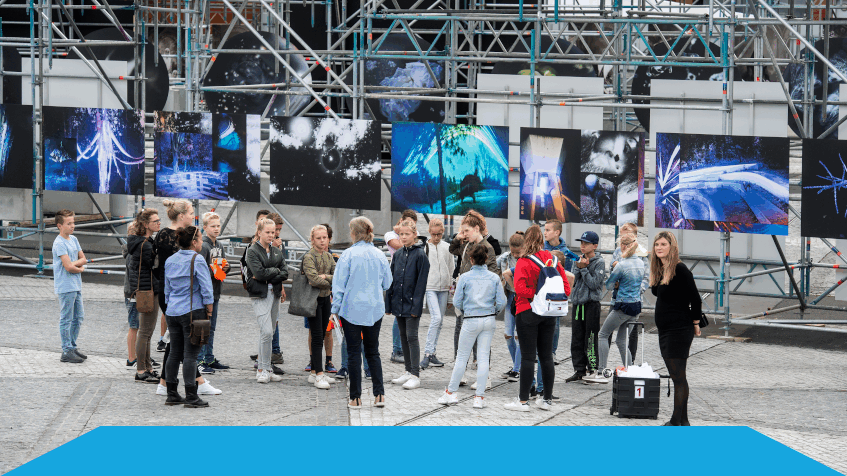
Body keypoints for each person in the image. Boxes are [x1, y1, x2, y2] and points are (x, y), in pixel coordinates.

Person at [504, 225, 571, 412]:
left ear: (526, 241)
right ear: (542, 240)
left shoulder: (524, 262)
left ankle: (523, 401)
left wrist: (534, 295)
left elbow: (520, 289)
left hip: (527, 312)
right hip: (549, 313)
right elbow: (566, 288)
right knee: (546, 356)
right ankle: (546, 400)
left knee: (527, 357)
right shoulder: (554, 260)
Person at [332, 216, 392, 409]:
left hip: (351, 309)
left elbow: (338, 286)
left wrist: (335, 310)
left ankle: (355, 397)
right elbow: (387, 283)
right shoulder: (380, 255)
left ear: (354, 233)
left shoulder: (347, 255)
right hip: (374, 308)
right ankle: (379, 395)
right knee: (373, 351)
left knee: (353, 352)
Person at [438, 244, 506, 409]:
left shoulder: (465, 277)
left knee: (462, 357)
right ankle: (479, 397)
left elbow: (456, 301)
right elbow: (502, 301)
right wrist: (493, 311)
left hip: (470, 319)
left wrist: (464, 310)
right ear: (486, 259)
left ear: (471, 259)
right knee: (483, 358)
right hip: (488, 319)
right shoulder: (494, 278)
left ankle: (451, 392)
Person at [651, 231, 702, 426]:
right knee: (677, 376)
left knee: (678, 377)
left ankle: (676, 420)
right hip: (666, 330)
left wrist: (696, 323)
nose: (659, 248)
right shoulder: (662, 269)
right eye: (657, 245)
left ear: (672, 247)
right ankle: (684, 421)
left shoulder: (680, 269)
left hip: (679, 330)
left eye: (663, 244)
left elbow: (695, 298)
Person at [163, 226, 215, 408]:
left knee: (174, 352)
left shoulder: (170, 260)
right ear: (194, 242)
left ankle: (171, 393)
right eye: (200, 239)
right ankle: (191, 395)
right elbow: (206, 287)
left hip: (173, 311)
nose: (201, 242)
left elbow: (167, 288)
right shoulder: (197, 259)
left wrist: (170, 304)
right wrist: (210, 308)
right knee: (191, 355)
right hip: (193, 310)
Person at [585, 233, 646, 384]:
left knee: (603, 334)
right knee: (622, 340)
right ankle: (630, 370)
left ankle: (602, 372)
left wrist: (616, 280)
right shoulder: (640, 263)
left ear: (623, 246)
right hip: (636, 305)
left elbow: (609, 284)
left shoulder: (621, 265)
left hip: (622, 305)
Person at [448, 210, 499, 385]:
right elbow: (452, 248)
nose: (464, 235)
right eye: (463, 231)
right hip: (465, 297)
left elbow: (492, 274)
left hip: (479, 299)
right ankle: (460, 372)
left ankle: (485, 377)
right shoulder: (467, 244)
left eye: (467, 231)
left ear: (477, 228)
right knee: (460, 333)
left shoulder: (487, 247)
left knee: (480, 338)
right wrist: (459, 236)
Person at [386, 219, 430, 390]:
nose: (403, 237)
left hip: (412, 304)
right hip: (399, 303)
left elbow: (421, 284)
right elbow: (392, 280)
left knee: (412, 336)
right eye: (401, 234)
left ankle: (415, 374)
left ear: (414, 235)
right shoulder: (397, 255)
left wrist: (416, 307)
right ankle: (407, 370)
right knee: (403, 336)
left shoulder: (420, 255)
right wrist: (389, 305)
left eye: (407, 234)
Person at [245, 218, 289, 383]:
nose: (272, 235)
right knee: (267, 331)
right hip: (261, 293)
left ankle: (267, 368)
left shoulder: (276, 251)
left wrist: (269, 272)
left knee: (268, 334)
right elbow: (259, 273)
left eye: (273, 232)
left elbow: (284, 272)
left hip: (275, 293)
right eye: (268, 232)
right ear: (259, 232)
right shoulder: (253, 251)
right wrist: (274, 270)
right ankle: (262, 369)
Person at [126, 209, 162, 382]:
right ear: (146, 225)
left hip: (145, 289)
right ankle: (141, 369)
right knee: (145, 332)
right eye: (155, 221)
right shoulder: (145, 245)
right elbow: (153, 268)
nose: (159, 223)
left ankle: (146, 367)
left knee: (146, 332)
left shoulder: (144, 242)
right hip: (147, 291)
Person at [565, 230, 605, 383]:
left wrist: (583, 268)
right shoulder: (579, 259)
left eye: (586, 243)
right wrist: (579, 266)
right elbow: (574, 280)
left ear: (594, 246)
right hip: (578, 304)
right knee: (576, 338)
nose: (582, 246)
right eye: (581, 243)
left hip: (591, 305)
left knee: (590, 338)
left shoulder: (599, 262)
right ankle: (579, 370)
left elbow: (595, 284)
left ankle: (592, 368)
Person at [302, 224, 338, 389]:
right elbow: (313, 279)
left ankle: (315, 372)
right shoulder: (309, 257)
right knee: (317, 337)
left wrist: (326, 278)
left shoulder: (328, 256)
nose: (323, 241)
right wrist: (328, 281)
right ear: (312, 239)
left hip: (325, 300)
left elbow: (337, 275)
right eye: (319, 238)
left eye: (325, 237)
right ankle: (319, 374)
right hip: (313, 300)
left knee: (323, 333)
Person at [609, 222, 648, 360]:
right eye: (621, 238)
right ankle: (603, 364)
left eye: (626, 237)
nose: (623, 242)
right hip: (617, 298)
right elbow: (611, 272)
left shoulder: (642, 254)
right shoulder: (617, 251)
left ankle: (630, 363)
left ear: (635, 237)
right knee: (607, 332)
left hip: (633, 300)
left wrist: (636, 290)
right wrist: (614, 267)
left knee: (631, 334)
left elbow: (646, 277)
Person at [52, 209, 87, 364]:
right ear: (60, 225)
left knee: (78, 317)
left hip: (75, 284)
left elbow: (83, 258)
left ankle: (72, 346)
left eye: (73, 223)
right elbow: (68, 267)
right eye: (69, 223)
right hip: (66, 285)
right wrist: (77, 267)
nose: (72, 226)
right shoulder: (59, 243)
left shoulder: (73, 239)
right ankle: (66, 350)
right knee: (66, 318)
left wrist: (75, 264)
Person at [198, 212, 231, 373]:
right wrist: (216, 270)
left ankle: (209, 357)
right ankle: (200, 360)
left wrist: (225, 268)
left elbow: (222, 268)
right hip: (206, 292)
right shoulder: (204, 246)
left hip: (216, 290)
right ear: (205, 228)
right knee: (203, 326)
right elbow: (201, 270)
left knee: (211, 327)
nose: (217, 229)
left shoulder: (219, 245)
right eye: (213, 226)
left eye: (218, 226)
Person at [385, 209, 418, 364]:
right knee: (398, 317)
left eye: (411, 227)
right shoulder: (390, 235)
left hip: (410, 280)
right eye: (406, 223)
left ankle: (403, 350)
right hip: (396, 278)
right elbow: (400, 246)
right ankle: (397, 350)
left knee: (406, 317)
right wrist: (404, 232)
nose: (405, 235)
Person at [421, 218, 451, 370]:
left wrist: (450, 293)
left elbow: (451, 268)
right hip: (430, 286)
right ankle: (427, 353)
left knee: (440, 322)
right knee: (436, 318)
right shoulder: (424, 247)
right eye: (434, 234)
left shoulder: (447, 247)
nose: (436, 237)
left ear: (442, 233)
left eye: (439, 234)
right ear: (429, 232)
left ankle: (432, 352)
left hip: (444, 287)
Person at [496, 231, 524, 381]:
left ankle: (517, 369)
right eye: (513, 252)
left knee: (519, 335)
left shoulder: (527, 259)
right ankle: (516, 366)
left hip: (523, 298)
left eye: (518, 252)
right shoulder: (505, 258)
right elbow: (493, 265)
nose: (516, 255)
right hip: (510, 296)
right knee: (508, 334)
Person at [122, 222, 140, 367]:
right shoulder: (132, 252)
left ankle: (136, 355)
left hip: (132, 293)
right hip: (133, 294)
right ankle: (131, 357)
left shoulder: (130, 250)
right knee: (134, 326)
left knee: (137, 326)